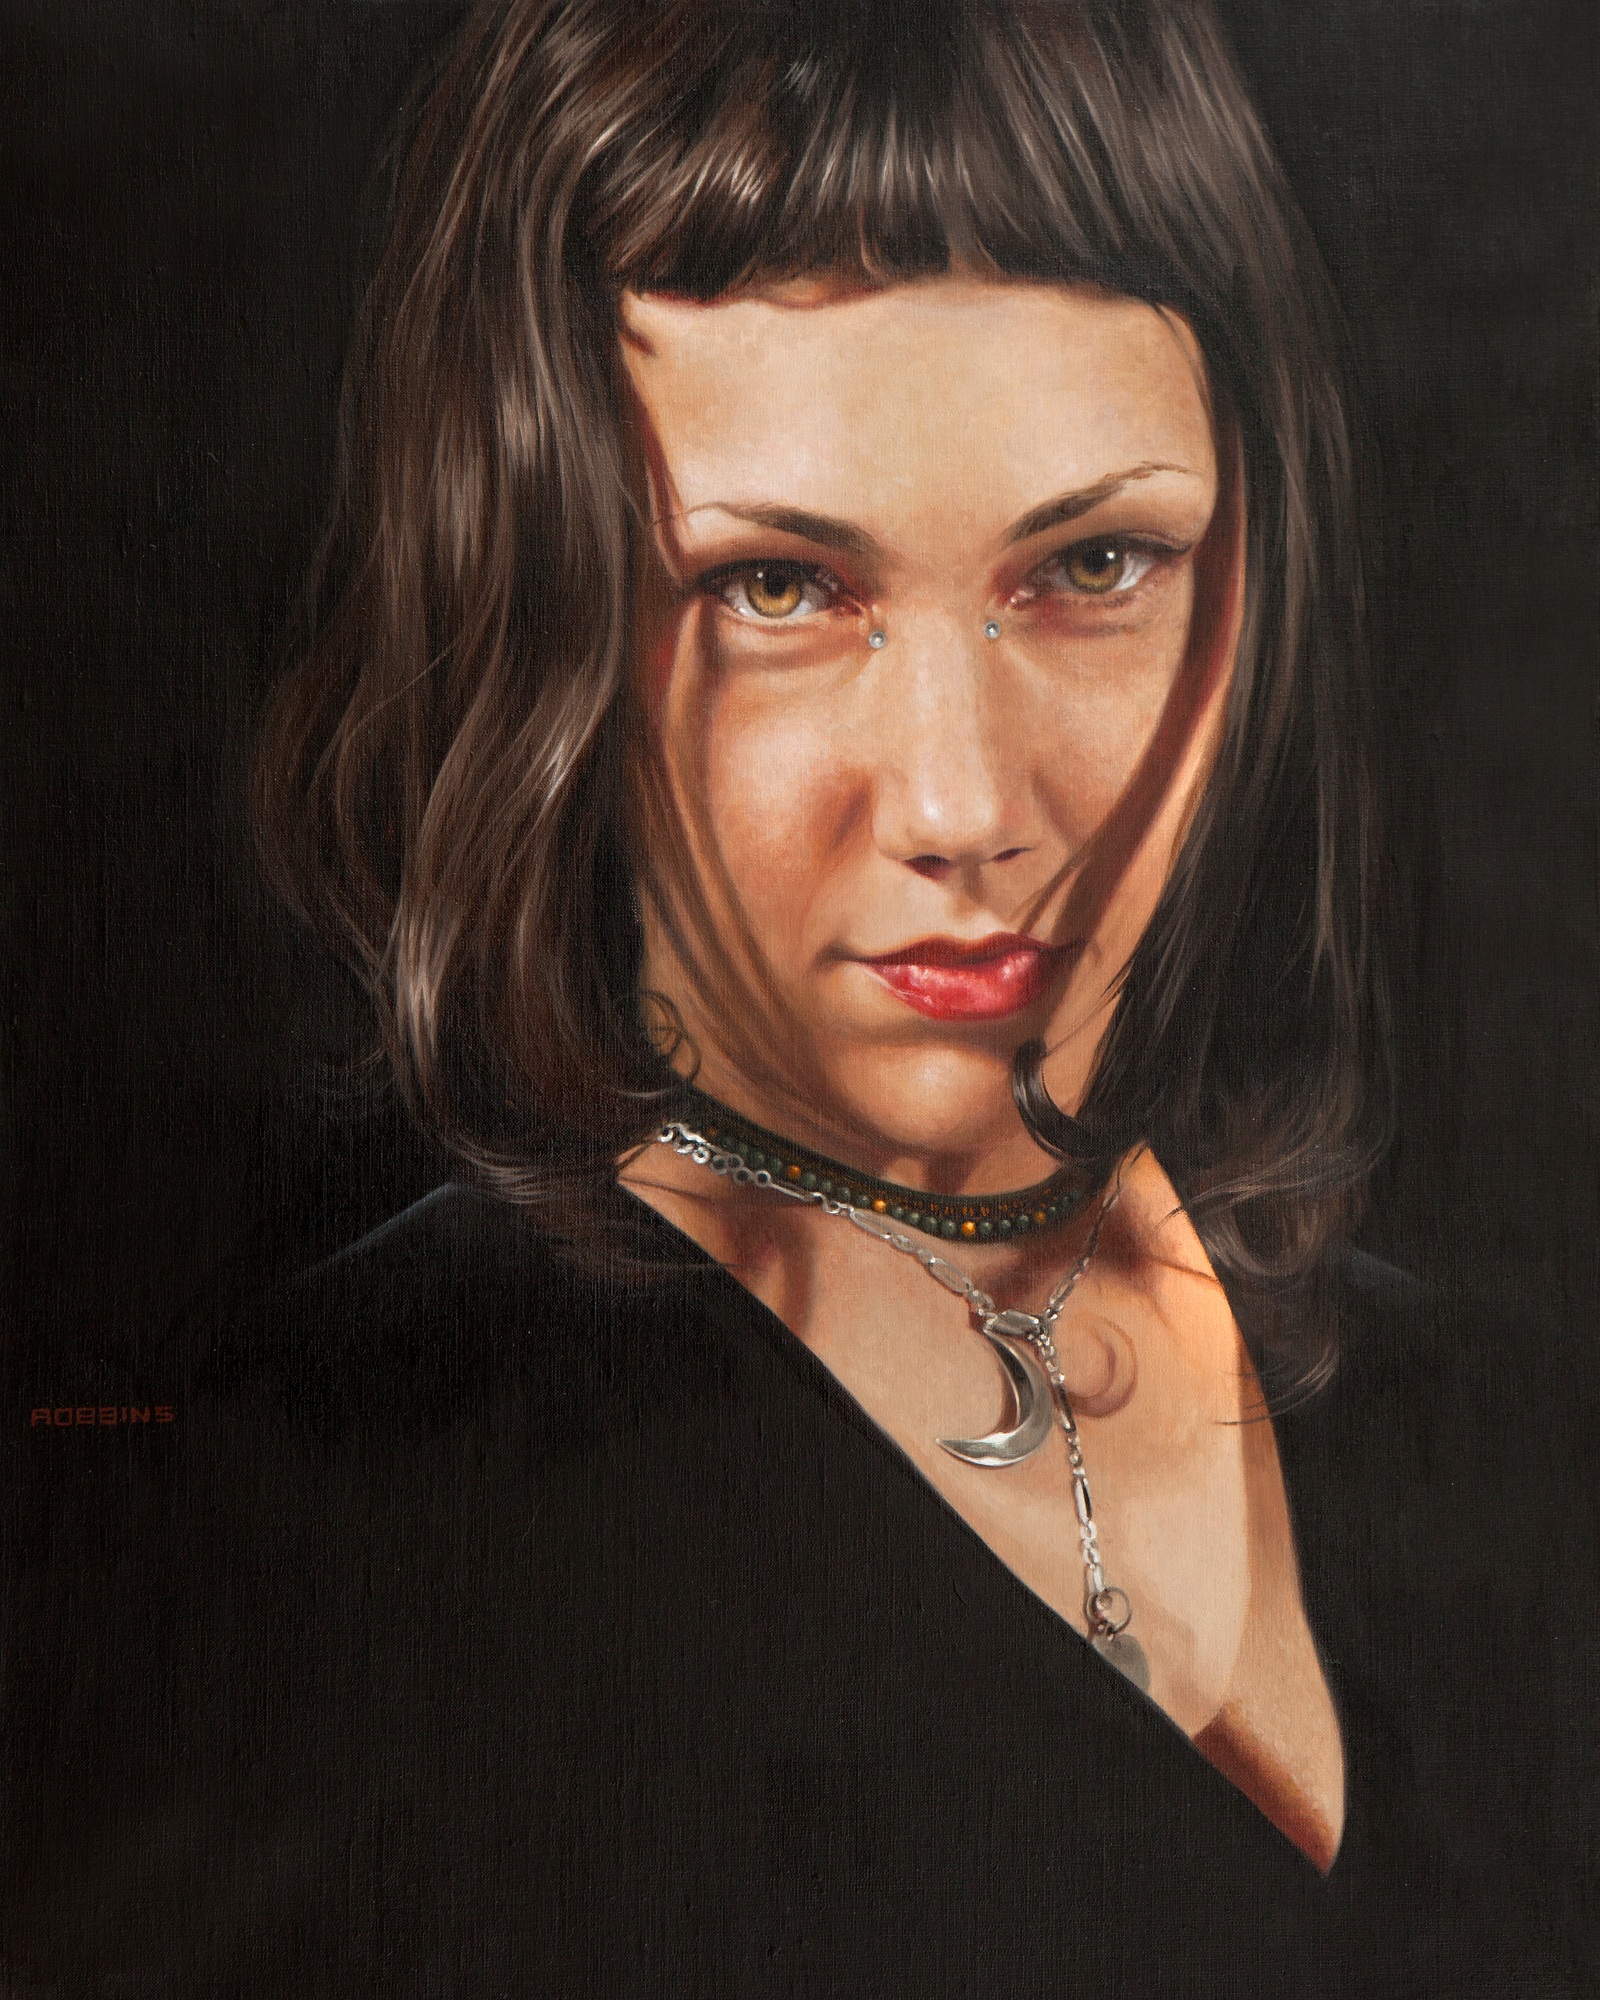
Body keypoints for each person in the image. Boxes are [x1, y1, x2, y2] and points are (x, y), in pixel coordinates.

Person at [3, 2, 1571, 1994]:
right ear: (540, 601)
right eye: (779, 589)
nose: (962, 804)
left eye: (1095, 564)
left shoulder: (1514, 1432)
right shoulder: (298, 1516)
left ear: (1256, 575)